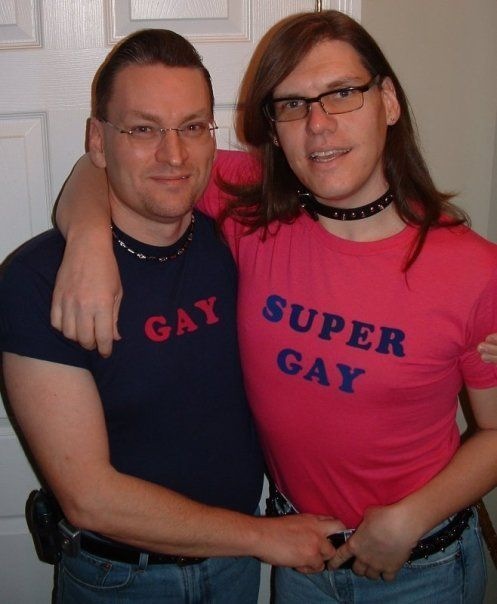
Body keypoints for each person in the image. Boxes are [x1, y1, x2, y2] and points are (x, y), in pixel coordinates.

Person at [48, 10, 497, 604]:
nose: (318, 124)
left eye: (342, 93)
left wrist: (411, 517)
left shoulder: (472, 269)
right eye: (291, 104)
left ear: (388, 101)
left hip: (420, 566)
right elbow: (104, 161)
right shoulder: (253, 209)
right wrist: (87, 242)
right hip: (301, 558)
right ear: (275, 128)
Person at [0, 28, 347, 604]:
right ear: (98, 140)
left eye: (192, 127)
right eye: (143, 129)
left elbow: (364, 202)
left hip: (236, 571)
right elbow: (88, 497)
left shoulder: (240, 236)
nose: (174, 155)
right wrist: (263, 537)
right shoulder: (38, 281)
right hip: (119, 579)